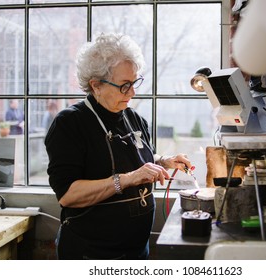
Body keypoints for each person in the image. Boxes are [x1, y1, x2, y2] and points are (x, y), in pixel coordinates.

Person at [45, 33, 193, 260]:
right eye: (125, 86)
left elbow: (137, 156)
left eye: (135, 83)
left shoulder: (134, 118)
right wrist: (126, 179)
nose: (132, 93)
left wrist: (164, 160)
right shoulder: (70, 124)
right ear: (96, 85)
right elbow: (67, 195)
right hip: (90, 253)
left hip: (136, 250)